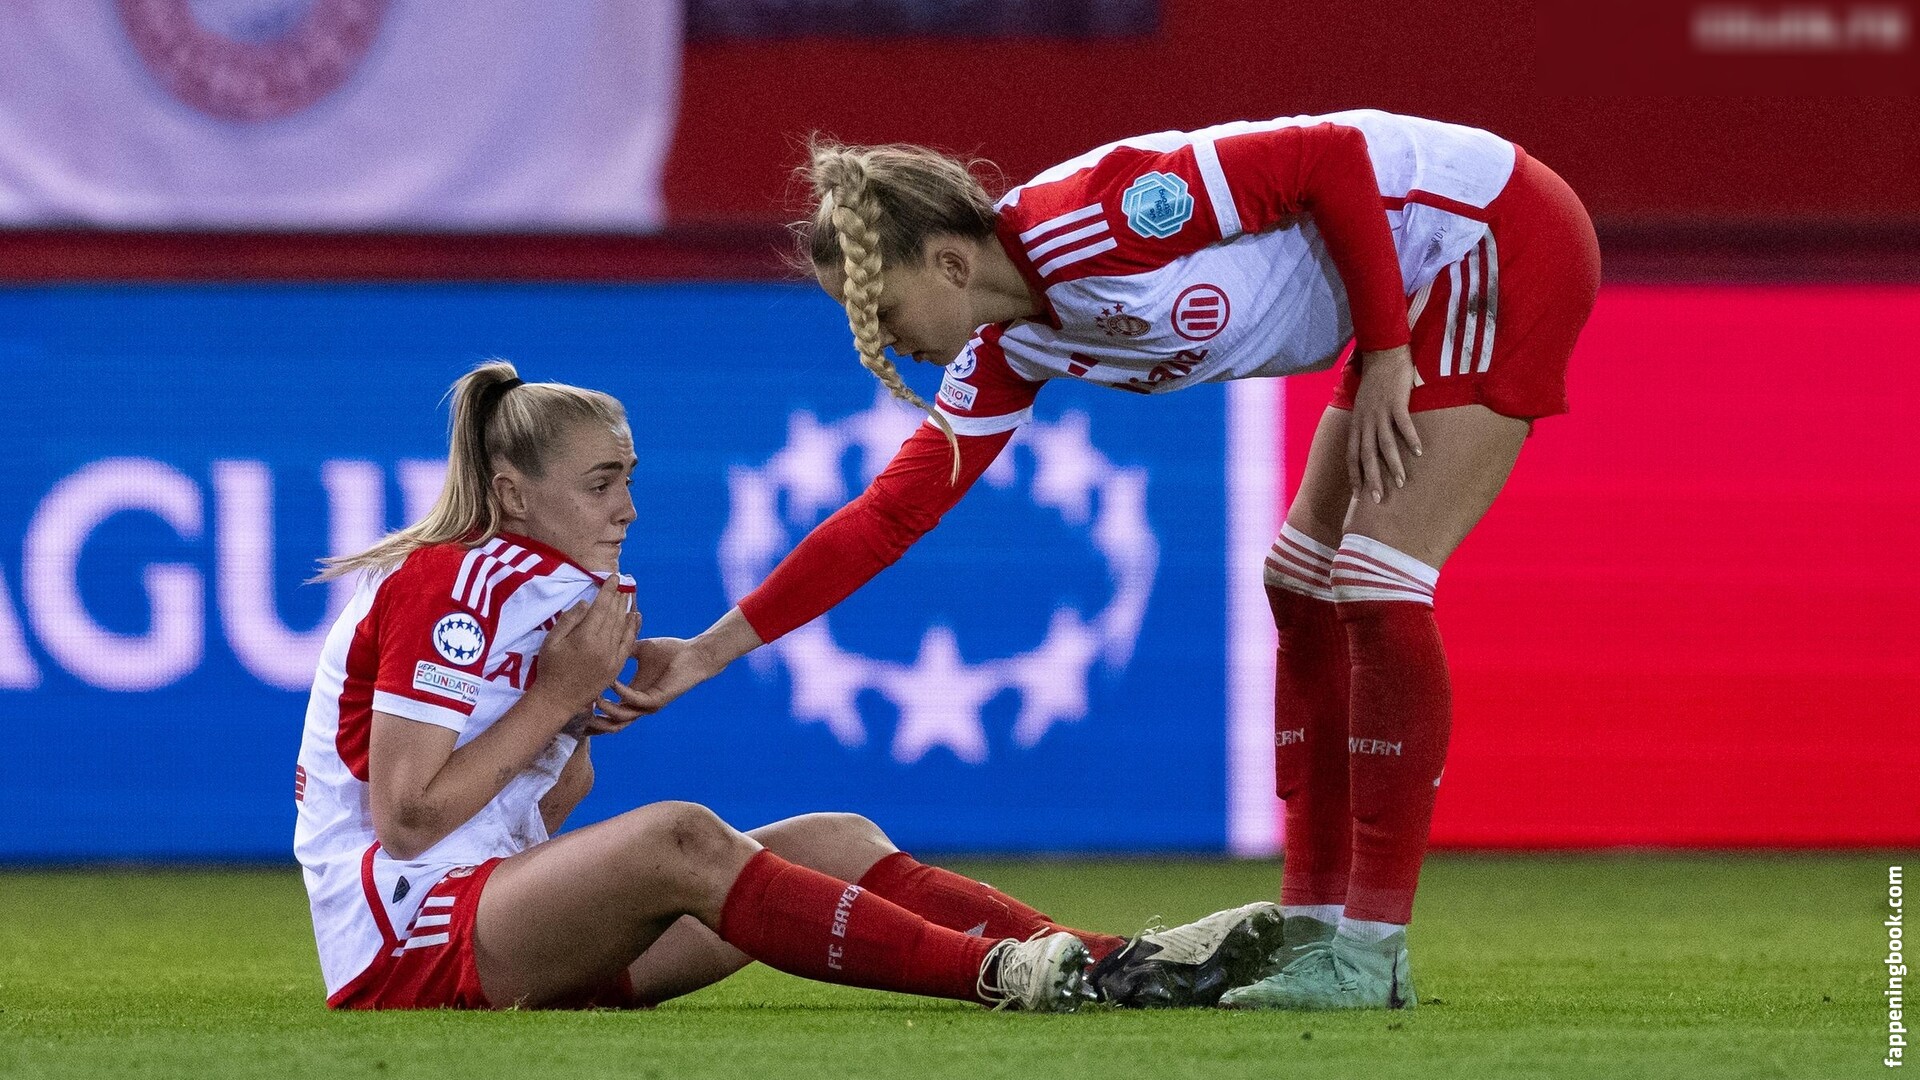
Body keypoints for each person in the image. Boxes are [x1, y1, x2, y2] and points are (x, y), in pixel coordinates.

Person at [618, 110, 1603, 1011]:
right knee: (1299, 583)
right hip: (1410, 289)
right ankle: (1316, 932)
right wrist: (704, 652)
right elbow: (886, 519)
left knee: (1378, 580)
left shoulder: (1107, 217)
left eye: (879, 306)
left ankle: (1370, 953)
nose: (875, 338)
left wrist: (1387, 349)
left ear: (951, 263)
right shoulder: (1009, 348)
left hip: (1486, 233)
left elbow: (1329, 158)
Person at [292, 361, 1274, 1012]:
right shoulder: (449, 583)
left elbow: (544, 806)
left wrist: (576, 722)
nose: (627, 507)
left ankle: (1119, 965)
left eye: (629, 477)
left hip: (492, 921)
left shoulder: (564, 592)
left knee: (835, 837)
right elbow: (409, 822)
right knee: (681, 835)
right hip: (403, 944)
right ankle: (1001, 972)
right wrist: (553, 702)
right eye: (600, 484)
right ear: (513, 494)